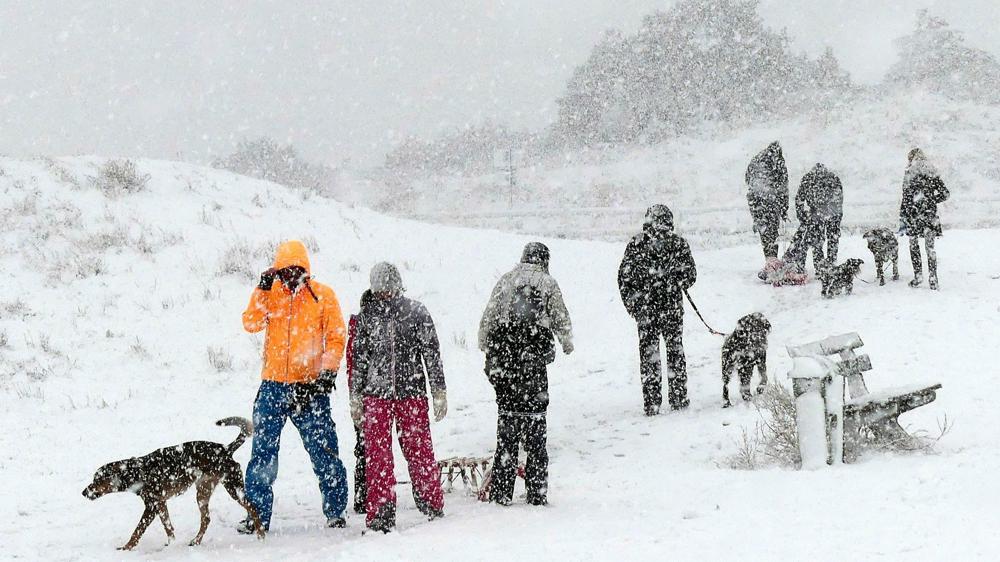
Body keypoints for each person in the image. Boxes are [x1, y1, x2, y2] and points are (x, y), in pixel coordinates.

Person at [239, 240, 349, 532]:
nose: (290, 276)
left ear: (305, 269)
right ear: (277, 271)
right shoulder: (271, 293)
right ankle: (257, 516)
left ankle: (336, 511)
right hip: (272, 386)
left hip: (310, 389)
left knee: (324, 450)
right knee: (263, 453)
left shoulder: (323, 296)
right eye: (284, 271)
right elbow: (250, 323)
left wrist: (327, 374)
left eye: (295, 269)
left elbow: (336, 337)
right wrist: (261, 289)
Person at [350, 263, 448, 533]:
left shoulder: (417, 312)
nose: (385, 295)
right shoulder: (366, 317)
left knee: (420, 452)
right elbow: (359, 360)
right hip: (375, 396)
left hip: (411, 394)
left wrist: (439, 390)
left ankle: (431, 502)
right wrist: (355, 397)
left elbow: (432, 355)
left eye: (388, 289)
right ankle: (380, 514)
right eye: (380, 291)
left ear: (398, 286)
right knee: (378, 458)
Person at [479, 242, 573, 506]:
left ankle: (502, 493)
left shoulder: (506, 280)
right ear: (544, 260)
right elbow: (560, 316)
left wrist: (485, 341)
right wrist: (566, 340)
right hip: (533, 366)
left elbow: (489, 315)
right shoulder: (547, 282)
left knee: (507, 432)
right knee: (535, 432)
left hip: (506, 364)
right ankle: (537, 492)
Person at [618, 205, 697, 416]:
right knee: (675, 352)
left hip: (646, 311)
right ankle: (678, 397)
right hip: (670, 308)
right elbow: (690, 275)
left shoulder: (636, 244)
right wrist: (676, 279)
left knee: (649, 355)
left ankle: (652, 402)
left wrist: (634, 306)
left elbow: (624, 279)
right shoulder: (678, 243)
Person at [899, 148, 949, 289]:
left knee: (914, 245)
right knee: (930, 247)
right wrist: (931, 200)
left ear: (911, 159)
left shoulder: (909, 174)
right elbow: (945, 194)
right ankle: (933, 278)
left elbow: (906, 198)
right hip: (930, 215)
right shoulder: (932, 172)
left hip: (914, 216)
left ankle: (918, 276)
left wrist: (904, 216)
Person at [782, 163, 843, 275]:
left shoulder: (809, 179)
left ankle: (819, 267)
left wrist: (802, 216)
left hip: (823, 212)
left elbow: (799, 199)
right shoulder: (833, 179)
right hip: (827, 212)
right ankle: (827, 266)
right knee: (829, 240)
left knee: (816, 241)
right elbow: (839, 199)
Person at [345, 290, 374, 514]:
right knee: (367, 449)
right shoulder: (363, 331)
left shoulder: (356, 329)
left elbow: (352, 367)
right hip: (368, 396)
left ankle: (363, 495)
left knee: (363, 448)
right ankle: (365, 494)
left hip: (362, 395)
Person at [745, 141, 789, 275]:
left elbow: (747, 178)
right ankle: (772, 263)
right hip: (770, 201)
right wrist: (784, 208)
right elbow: (783, 185)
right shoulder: (778, 161)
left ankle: (769, 260)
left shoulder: (756, 159)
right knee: (772, 230)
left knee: (764, 231)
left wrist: (755, 194)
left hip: (755, 201)